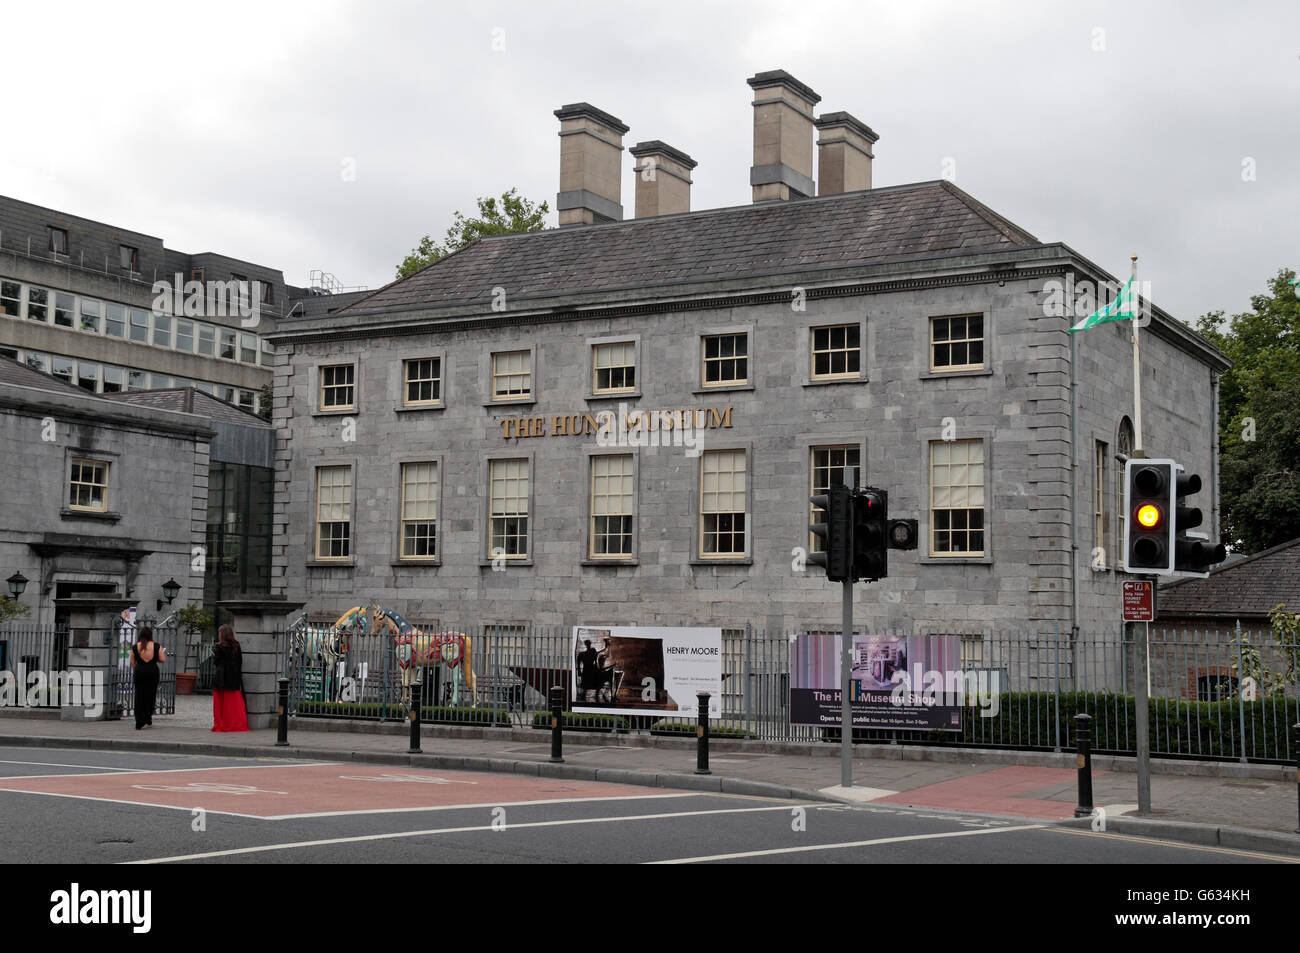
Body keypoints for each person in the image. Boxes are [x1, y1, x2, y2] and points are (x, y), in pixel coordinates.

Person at [211, 624, 249, 732]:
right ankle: (236, 723)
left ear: (221, 635)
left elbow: (216, 662)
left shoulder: (219, 646)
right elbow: (240, 661)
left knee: (220, 704)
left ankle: (221, 723)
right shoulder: (236, 645)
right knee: (234, 703)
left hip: (221, 677)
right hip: (234, 676)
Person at [130, 626, 164, 730]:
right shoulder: (157, 646)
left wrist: (139, 667)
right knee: (151, 694)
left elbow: (132, 663)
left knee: (139, 695)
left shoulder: (135, 647)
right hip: (152, 671)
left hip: (140, 671)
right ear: (150, 635)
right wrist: (154, 660)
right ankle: (147, 717)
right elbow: (162, 659)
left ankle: (139, 721)